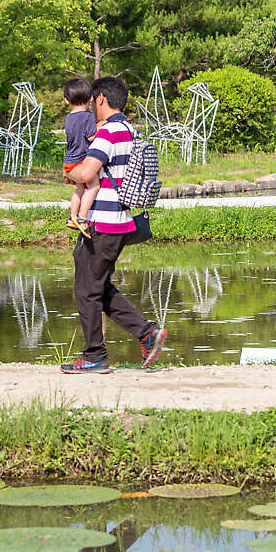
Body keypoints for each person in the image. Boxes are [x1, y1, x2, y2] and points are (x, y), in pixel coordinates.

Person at [61, 76, 167, 373]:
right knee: (98, 286)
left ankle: (95, 356)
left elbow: (87, 172)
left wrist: (72, 174)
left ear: (101, 100)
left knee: (86, 290)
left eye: (94, 101)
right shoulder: (130, 130)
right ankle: (147, 333)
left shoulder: (109, 132)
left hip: (102, 223)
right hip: (120, 221)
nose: (92, 106)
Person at [62, 78, 100, 239]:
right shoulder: (88, 116)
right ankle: (83, 218)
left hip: (69, 163)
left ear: (66, 100)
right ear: (91, 98)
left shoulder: (68, 118)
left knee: (79, 189)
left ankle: (72, 218)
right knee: (93, 187)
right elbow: (91, 137)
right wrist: (101, 128)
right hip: (80, 162)